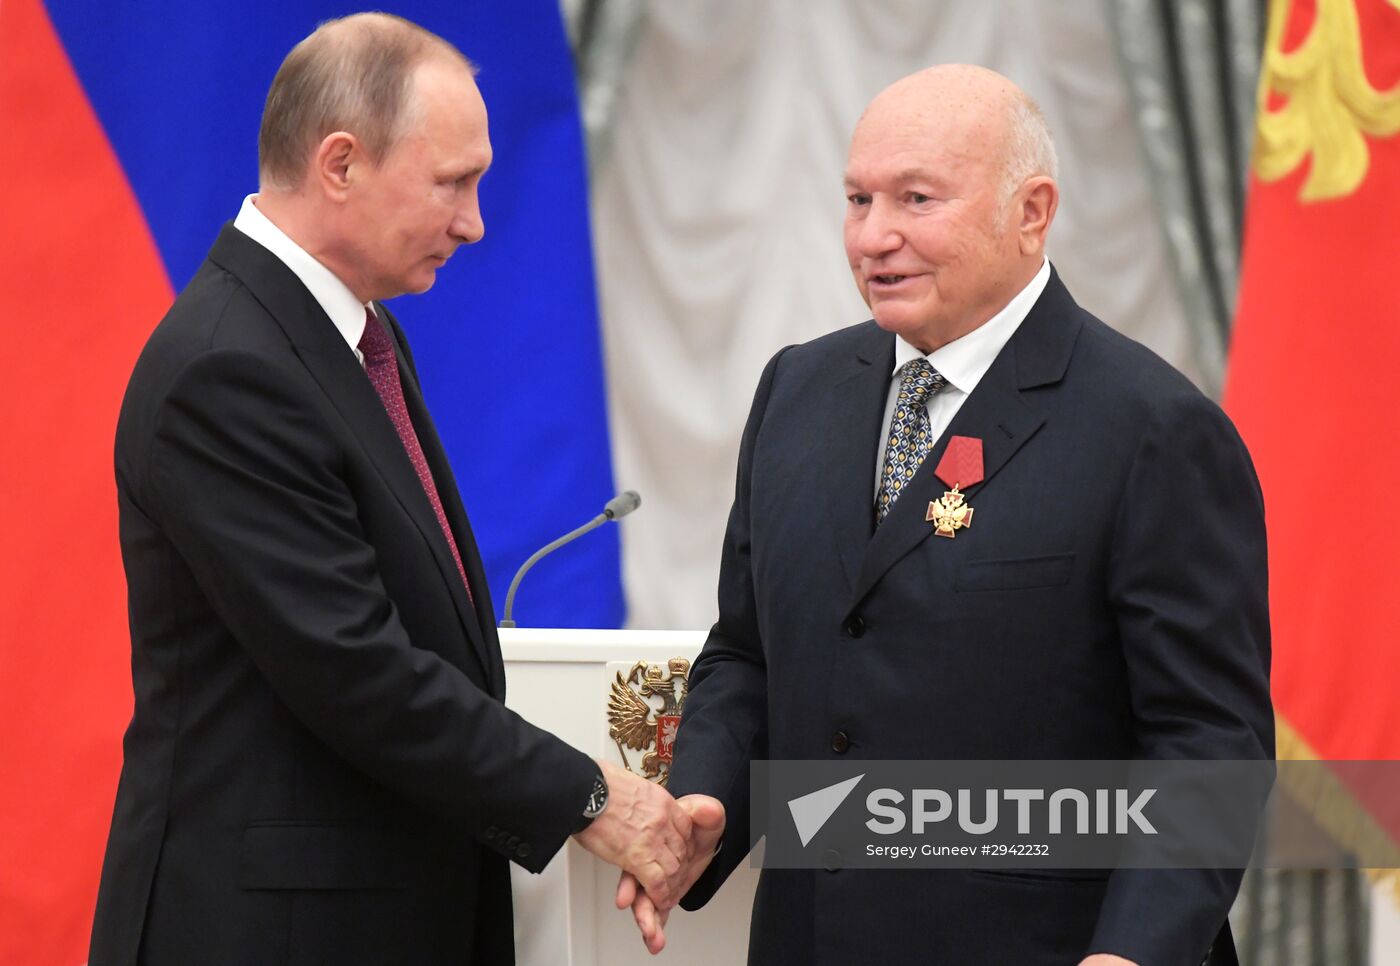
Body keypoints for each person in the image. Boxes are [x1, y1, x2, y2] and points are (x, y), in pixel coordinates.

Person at [89, 14, 711, 965]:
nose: (474, 220)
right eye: (452, 181)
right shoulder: (228, 369)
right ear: (340, 164)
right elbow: (356, 670)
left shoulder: (347, 333)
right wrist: (592, 796)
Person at [619, 65, 1272, 966]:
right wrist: (706, 798)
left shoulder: (1152, 428)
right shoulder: (797, 390)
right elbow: (747, 653)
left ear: (1031, 212)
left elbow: (1208, 741)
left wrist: (1133, 952)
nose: (873, 236)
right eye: (857, 198)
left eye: (917, 199)